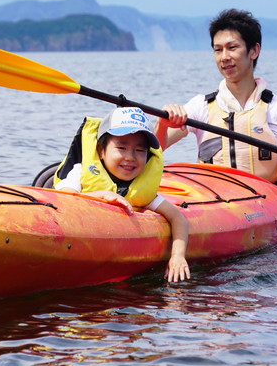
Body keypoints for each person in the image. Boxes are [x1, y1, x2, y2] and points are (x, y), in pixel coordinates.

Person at [154, 8, 277, 188]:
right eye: (218, 50)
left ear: (254, 51)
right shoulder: (200, 107)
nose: (224, 57)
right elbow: (155, 149)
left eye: (232, 47)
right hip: (216, 199)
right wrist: (162, 124)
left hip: (270, 200)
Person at [54, 106, 190, 282]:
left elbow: (178, 218)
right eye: (121, 147)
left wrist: (177, 256)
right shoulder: (79, 172)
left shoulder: (140, 189)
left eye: (140, 150)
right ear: (101, 151)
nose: (130, 157)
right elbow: (65, 200)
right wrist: (101, 195)